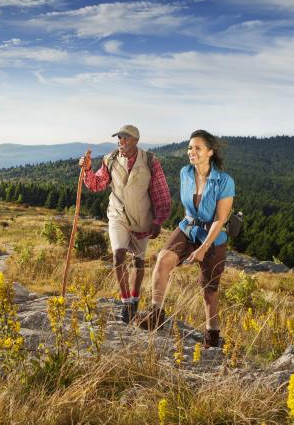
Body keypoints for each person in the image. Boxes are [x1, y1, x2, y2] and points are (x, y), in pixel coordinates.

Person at [146, 129, 235, 348]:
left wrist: (204, 247)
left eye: (197, 148)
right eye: (189, 147)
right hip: (187, 227)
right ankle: (155, 314)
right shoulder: (185, 173)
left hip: (212, 235)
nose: (191, 152)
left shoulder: (224, 181)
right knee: (162, 260)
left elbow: (220, 219)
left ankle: (212, 336)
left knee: (209, 289)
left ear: (210, 152)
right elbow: (189, 207)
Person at [78, 125, 171, 324]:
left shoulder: (150, 161)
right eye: (119, 137)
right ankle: (125, 303)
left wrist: (158, 220)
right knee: (118, 255)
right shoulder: (110, 159)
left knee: (138, 262)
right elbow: (97, 184)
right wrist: (87, 170)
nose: (120, 141)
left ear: (135, 140)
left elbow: (161, 192)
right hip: (117, 215)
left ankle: (134, 301)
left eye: (125, 138)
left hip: (142, 218)